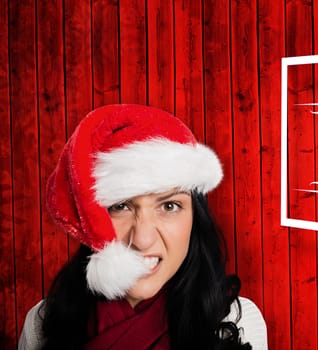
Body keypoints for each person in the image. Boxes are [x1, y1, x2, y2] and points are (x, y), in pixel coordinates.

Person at [18, 104, 267, 349]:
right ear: (89, 218)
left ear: (195, 218)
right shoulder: (41, 324)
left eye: (169, 206)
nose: (143, 239)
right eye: (120, 206)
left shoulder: (239, 321)